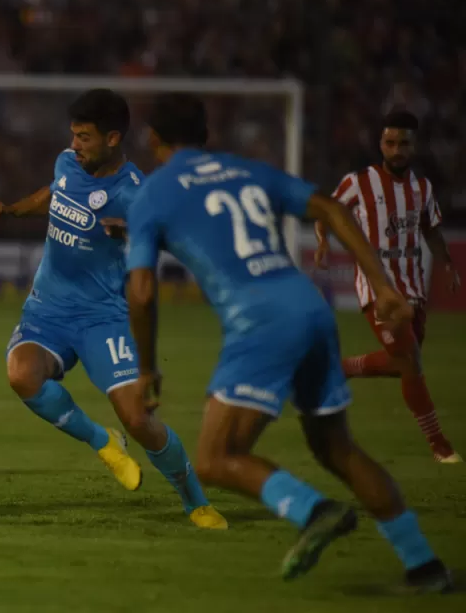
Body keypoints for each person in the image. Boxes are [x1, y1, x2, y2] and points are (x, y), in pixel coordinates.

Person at [124, 93, 451, 591]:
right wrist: (383, 286)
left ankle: (312, 509)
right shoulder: (246, 170)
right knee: (336, 447)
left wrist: (147, 367)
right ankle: (426, 566)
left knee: (214, 458)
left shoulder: (153, 192)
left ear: (152, 139)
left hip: (258, 321)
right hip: (310, 309)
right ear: (206, 136)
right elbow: (328, 207)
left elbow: (142, 290)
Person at [0, 89, 225, 529]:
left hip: (102, 317)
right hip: (48, 308)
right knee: (21, 375)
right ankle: (102, 441)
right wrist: (11, 210)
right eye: (74, 135)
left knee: (139, 418)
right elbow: (54, 195)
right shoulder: (67, 164)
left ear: (113, 138)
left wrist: (130, 232)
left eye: (85, 137)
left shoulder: (136, 192)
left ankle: (196, 501)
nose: (76, 145)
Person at [314, 111, 459, 463]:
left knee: (402, 362)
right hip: (378, 291)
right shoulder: (359, 182)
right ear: (381, 144)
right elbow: (326, 212)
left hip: (413, 291)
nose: (396, 150)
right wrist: (321, 241)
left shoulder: (422, 189)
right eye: (390, 143)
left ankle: (337, 368)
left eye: (403, 143)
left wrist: (448, 263)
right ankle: (440, 445)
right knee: (410, 362)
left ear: (414, 146)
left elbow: (431, 230)